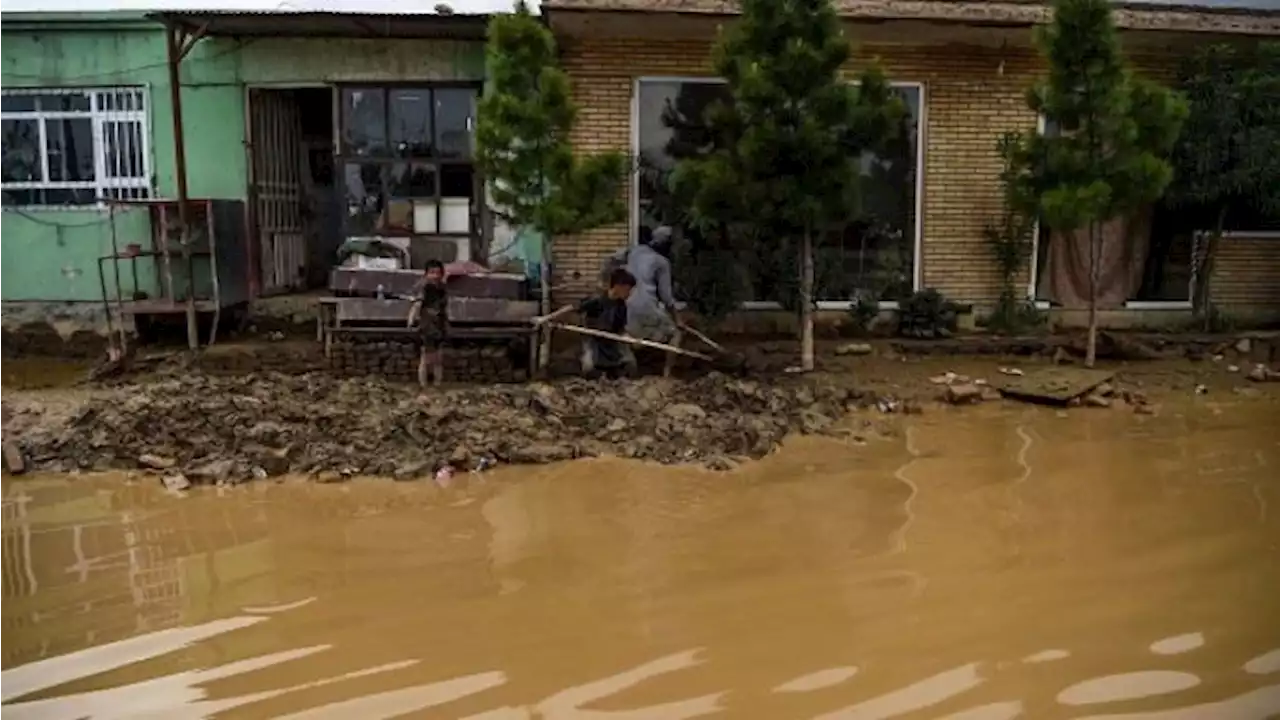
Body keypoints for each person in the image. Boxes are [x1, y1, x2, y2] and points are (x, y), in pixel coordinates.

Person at [535, 268, 637, 378]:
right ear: (618, 286)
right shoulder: (597, 300)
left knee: (630, 366)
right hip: (594, 341)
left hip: (612, 342)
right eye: (628, 289)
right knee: (590, 368)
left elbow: (621, 329)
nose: (629, 293)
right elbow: (570, 308)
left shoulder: (622, 306)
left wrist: (629, 338)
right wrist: (546, 318)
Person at [623, 225, 683, 376]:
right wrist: (678, 319)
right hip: (646, 308)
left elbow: (614, 259)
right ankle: (667, 374)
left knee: (632, 336)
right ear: (666, 245)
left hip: (626, 308)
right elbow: (667, 297)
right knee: (675, 334)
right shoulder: (662, 262)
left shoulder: (634, 252)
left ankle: (634, 368)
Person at [406, 260, 448, 388]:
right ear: (426, 274)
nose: (435, 276)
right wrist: (411, 320)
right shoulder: (424, 287)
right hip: (427, 326)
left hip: (440, 325)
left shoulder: (442, 287)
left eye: (438, 273)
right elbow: (417, 304)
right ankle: (424, 385)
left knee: (438, 358)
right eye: (432, 272)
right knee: (426, 358)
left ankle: (437, 384)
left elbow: (443, 307)